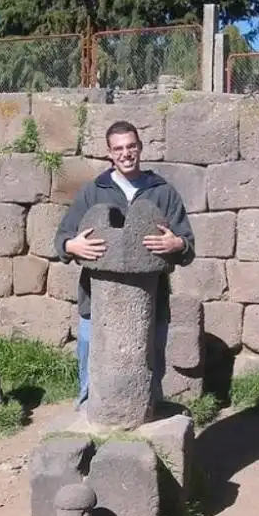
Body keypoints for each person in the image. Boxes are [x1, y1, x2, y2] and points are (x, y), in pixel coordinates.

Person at [54, 120, 195, 411]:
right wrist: (71, 246)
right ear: (109, 153)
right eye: (118, 149)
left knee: (151, 360)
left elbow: (188, 244)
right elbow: (62, 237)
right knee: (91, 356)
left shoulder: (162, 192)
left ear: (140, 148)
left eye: (131, 146)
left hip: (150, 300)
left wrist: (177, 244)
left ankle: (148, 412)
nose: (125, 153)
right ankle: (87, 411)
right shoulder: (94, 191)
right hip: (96, 302)